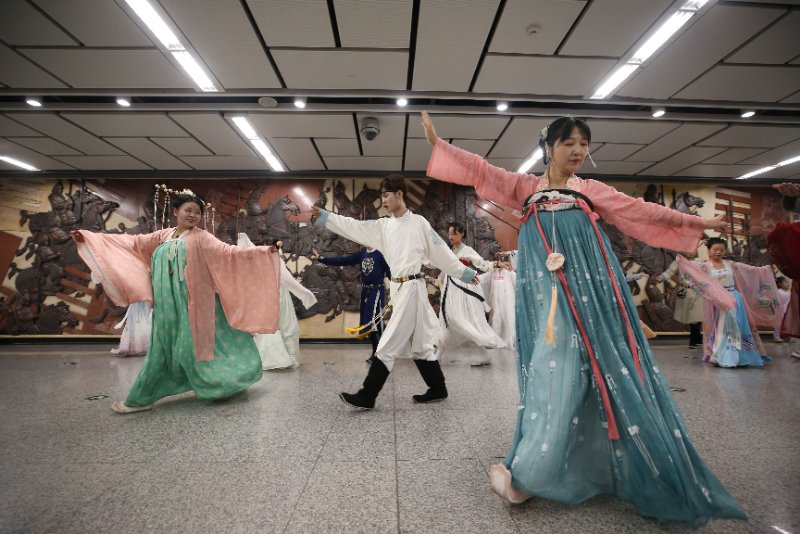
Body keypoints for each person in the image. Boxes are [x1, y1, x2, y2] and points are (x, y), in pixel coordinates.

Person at [421, 111, 745, 527]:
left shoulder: (590, 190)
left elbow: (641, 212)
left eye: (584, 143)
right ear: (549, 148)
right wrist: (439, 145)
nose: (578, 150)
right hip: (548, 304)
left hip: (593, 301)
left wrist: (696, 222)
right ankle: (539, 469)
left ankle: (546, 473)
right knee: (553, 372)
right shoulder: (524, 188)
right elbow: (482, 171)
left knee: (595, 371)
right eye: (569, 142)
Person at [72, 192, 282, 413]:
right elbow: (132, 243)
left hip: (195, 304)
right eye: (188, 210)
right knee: (162, 348)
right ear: (175, 212)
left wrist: (266, 251)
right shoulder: (164, 236)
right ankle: (143, 397)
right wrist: (91, 238)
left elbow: (230, 253)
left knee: (194, 346)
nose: (193, 215)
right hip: (166, 305)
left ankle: (219, 383)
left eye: (197, 212)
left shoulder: (202, 237)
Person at [311, 174, 479, 410]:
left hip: (413, 288)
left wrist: (464, 273)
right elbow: (355, 226)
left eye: (386, 195)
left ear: (400, 194)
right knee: (420, 345)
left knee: (388, 343)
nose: (384, 200)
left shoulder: (419, 223)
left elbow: (441, 250)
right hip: (400, 289)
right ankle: (438, 388)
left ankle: (367, 394)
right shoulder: (384, 225)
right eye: (381, 195)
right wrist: (327, 217)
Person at [238, 234, 317, 370]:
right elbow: (288, 280)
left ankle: (268, 359)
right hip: (278, 295)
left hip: (263, 296)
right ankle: (288, 357)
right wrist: (305, 293)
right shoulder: (274, 258)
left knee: (267, 327)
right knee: (287, 325)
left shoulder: (255, 260)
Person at [432, 222, 505, 366]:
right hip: (449, 289)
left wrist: (496, 264)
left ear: (461, 234)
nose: (450, 236)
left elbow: (481, 264)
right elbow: (445, 268)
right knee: (447, 319)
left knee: (469, 319)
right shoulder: (449, 251)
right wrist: (438, 279)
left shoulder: (467, 250)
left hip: (464, 287)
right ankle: (439, 354)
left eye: (454, 233)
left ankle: (484, 355)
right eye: (449, 233)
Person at [701, 237, 776, 368]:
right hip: (718, 300)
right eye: (715, 249)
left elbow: (749, 270)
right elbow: (693, 274)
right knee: (722, 329)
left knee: (739, 327)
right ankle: (721, 356)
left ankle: (742, 355)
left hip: (734, 299)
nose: (718, 252)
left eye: (722, 250)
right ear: (709, 250)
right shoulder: (705, 267)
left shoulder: (730, 264)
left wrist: (763, 270)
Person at [312, 246, 390, 363]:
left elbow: (389, 272)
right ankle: (378, 353)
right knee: (371, 324)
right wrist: (321, 258)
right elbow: (342, 261)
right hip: (365, 292)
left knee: (373, 323)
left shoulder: (380, 255)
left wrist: (398, 288)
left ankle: (381, 353)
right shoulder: (362, 255)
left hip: (376, 292)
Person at [656, 249, 704, 349]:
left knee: (697, 316)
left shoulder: (700, 263)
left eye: (693, 249)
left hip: (698, 291)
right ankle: (696, 338)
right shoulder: (679, 261)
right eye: (689, 249)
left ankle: (695, 339)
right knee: (691, 317)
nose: (690, 252)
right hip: (686, 291)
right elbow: (669, 272)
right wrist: (660, 278)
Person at [774, 276, 791, 343]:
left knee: (787, 324)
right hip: (780, 311)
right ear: (779, 284)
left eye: (787, 282)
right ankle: (776, 336)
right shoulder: (778, 291)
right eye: (785, 282)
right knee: (779, 324)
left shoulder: (789, 292)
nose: (787, 283)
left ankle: (787, 336)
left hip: (787, 310)